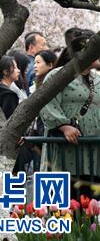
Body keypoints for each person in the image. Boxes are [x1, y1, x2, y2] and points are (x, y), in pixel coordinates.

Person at [39, 40, 100, 196]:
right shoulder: (58, 75)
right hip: (65, 147)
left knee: (90, 203)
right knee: (65, 200)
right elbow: (46, 101)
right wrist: (64, 126)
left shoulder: (97, 78)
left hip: (93, 149)